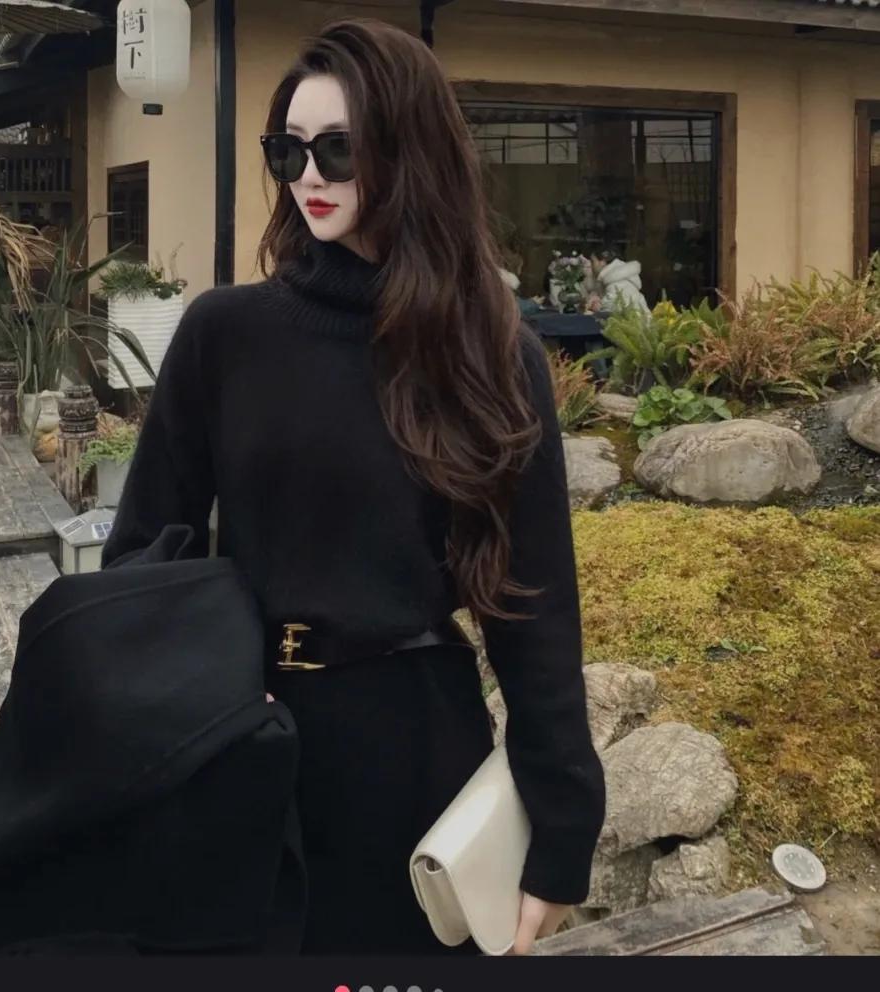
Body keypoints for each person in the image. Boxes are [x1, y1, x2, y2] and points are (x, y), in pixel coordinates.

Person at [101, 18, 606, 957]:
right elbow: (143, 550)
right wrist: (207, 686)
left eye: (336, 147)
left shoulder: (489, 355)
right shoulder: (224, 334)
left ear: (409, 152)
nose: (308, 175)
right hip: (245, 742)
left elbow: (532, 605)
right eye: (286, 149)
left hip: (417, 757)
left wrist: (562, 825)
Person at [584, 248, 651, 316]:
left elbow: (611, 313)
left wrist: (596, 308)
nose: (591, 266)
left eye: (592, 262)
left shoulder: (618, 283)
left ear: (602, 262)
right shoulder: (613, 280)